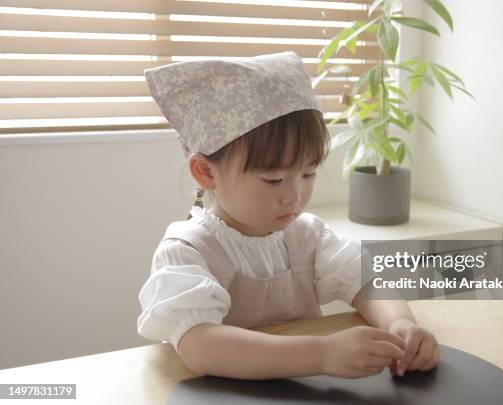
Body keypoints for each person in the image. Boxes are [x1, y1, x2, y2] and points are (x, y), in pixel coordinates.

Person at [137, 51, 439, 380]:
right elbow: (200, 346)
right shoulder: (186, 251)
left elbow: (366, 281)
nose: (295, 196)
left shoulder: (307, 234)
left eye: (308, 174)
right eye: (273, 180)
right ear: (206, 173)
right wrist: (322, 354)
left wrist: (401, 324)